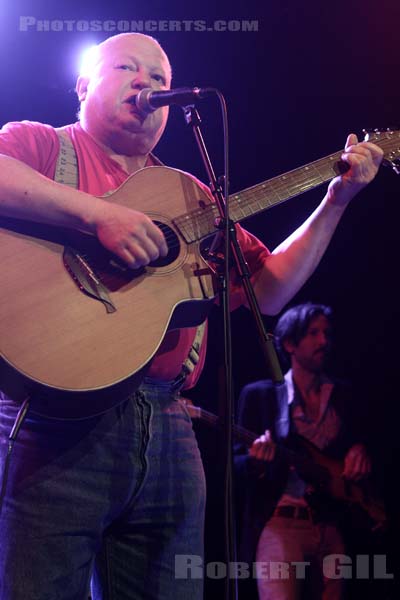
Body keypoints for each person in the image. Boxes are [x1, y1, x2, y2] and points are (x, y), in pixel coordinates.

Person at [0, 32, 383, 600]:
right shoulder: (39, 145)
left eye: (159, 78)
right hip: (53, 419)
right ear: (83, 85)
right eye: (127, 68)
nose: (147, 85)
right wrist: (99, 216)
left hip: (171, 427)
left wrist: (337, 201)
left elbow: (269, 290)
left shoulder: (188, 194)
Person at [234, 303, 373, 600]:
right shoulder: (260, 395)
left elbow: (367, 443)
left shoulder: (343, 395)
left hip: (334, 525)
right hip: (283, 523)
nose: (324, 341)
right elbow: (234, 464)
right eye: (313, 333)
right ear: (289, 344)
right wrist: (257, 462)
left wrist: (361, 450)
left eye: (326, 333)